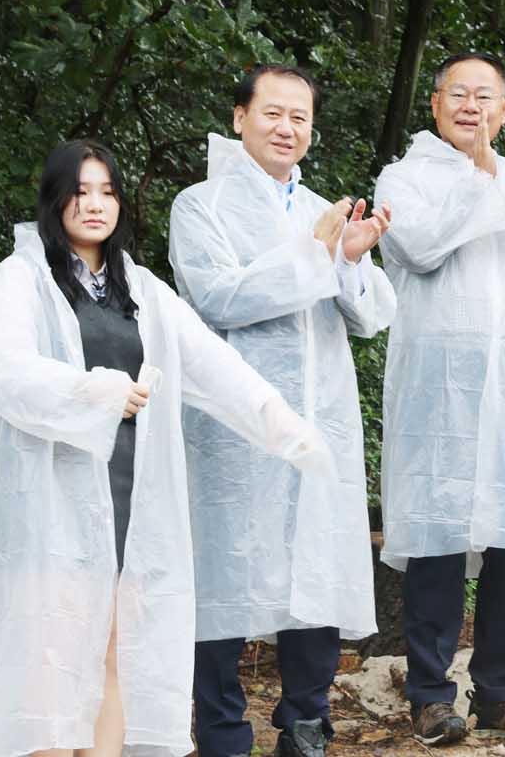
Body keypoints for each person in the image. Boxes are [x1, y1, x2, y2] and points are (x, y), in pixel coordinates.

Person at [0, 140, 334, 757]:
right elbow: (5, 372)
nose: (94, 204)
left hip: (130, 502)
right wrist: (99, 392)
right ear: (55, 200)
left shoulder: (139, 288)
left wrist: (287, 429)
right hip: (53, 507)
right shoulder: (20, 279)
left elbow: (215, 366)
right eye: (80, 191)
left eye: (107, 192)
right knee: (51, 662)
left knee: (116, 654)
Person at [168, 65, 398, 757]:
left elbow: (368, 316)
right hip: (233, 421)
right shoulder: (200, 206)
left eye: (299, 117)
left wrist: (349, 261)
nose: (286, 128)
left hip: (319, 413)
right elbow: (218, 298)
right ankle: (221, 731)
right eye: (272, 113)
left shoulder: (324, 208)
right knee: (223, 565)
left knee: (316, 560)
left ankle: (305, 722)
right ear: (239, 117)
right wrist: (317, 255)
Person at [374, 52, 505, 748]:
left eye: (485, 96)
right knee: (437, 532)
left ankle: (501, 693)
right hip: (439, 387)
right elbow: (421, 247)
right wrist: (487, 177)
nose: (471, 107)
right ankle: (430, 696)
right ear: (435, 105)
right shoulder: (405, 176)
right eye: (458, 94)